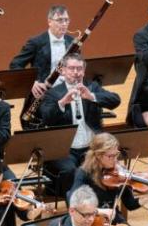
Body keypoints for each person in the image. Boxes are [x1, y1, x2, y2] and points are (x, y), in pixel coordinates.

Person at [40, 52, 120, 197]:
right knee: (70, 171)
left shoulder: (92, 87)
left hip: (91, 148)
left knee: (106, 165)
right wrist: (63, 102)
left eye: (79, 69)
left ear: (84, 70)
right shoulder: (53, 93)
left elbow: (115, 100)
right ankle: (74, 205)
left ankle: (101, 203)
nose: (76, 72)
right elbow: (46, 118)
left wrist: (92, 96)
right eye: (71, 68)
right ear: (63, 71)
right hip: (65, 149)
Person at [10, 4, 73, 124]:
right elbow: (15, 65)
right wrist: (32, 83)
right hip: (43, 95)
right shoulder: (36, 42)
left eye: (66, 20)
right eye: (60, 20)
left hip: (66, 93)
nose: (64, 23)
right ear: (49, 21)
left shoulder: (72, 42)